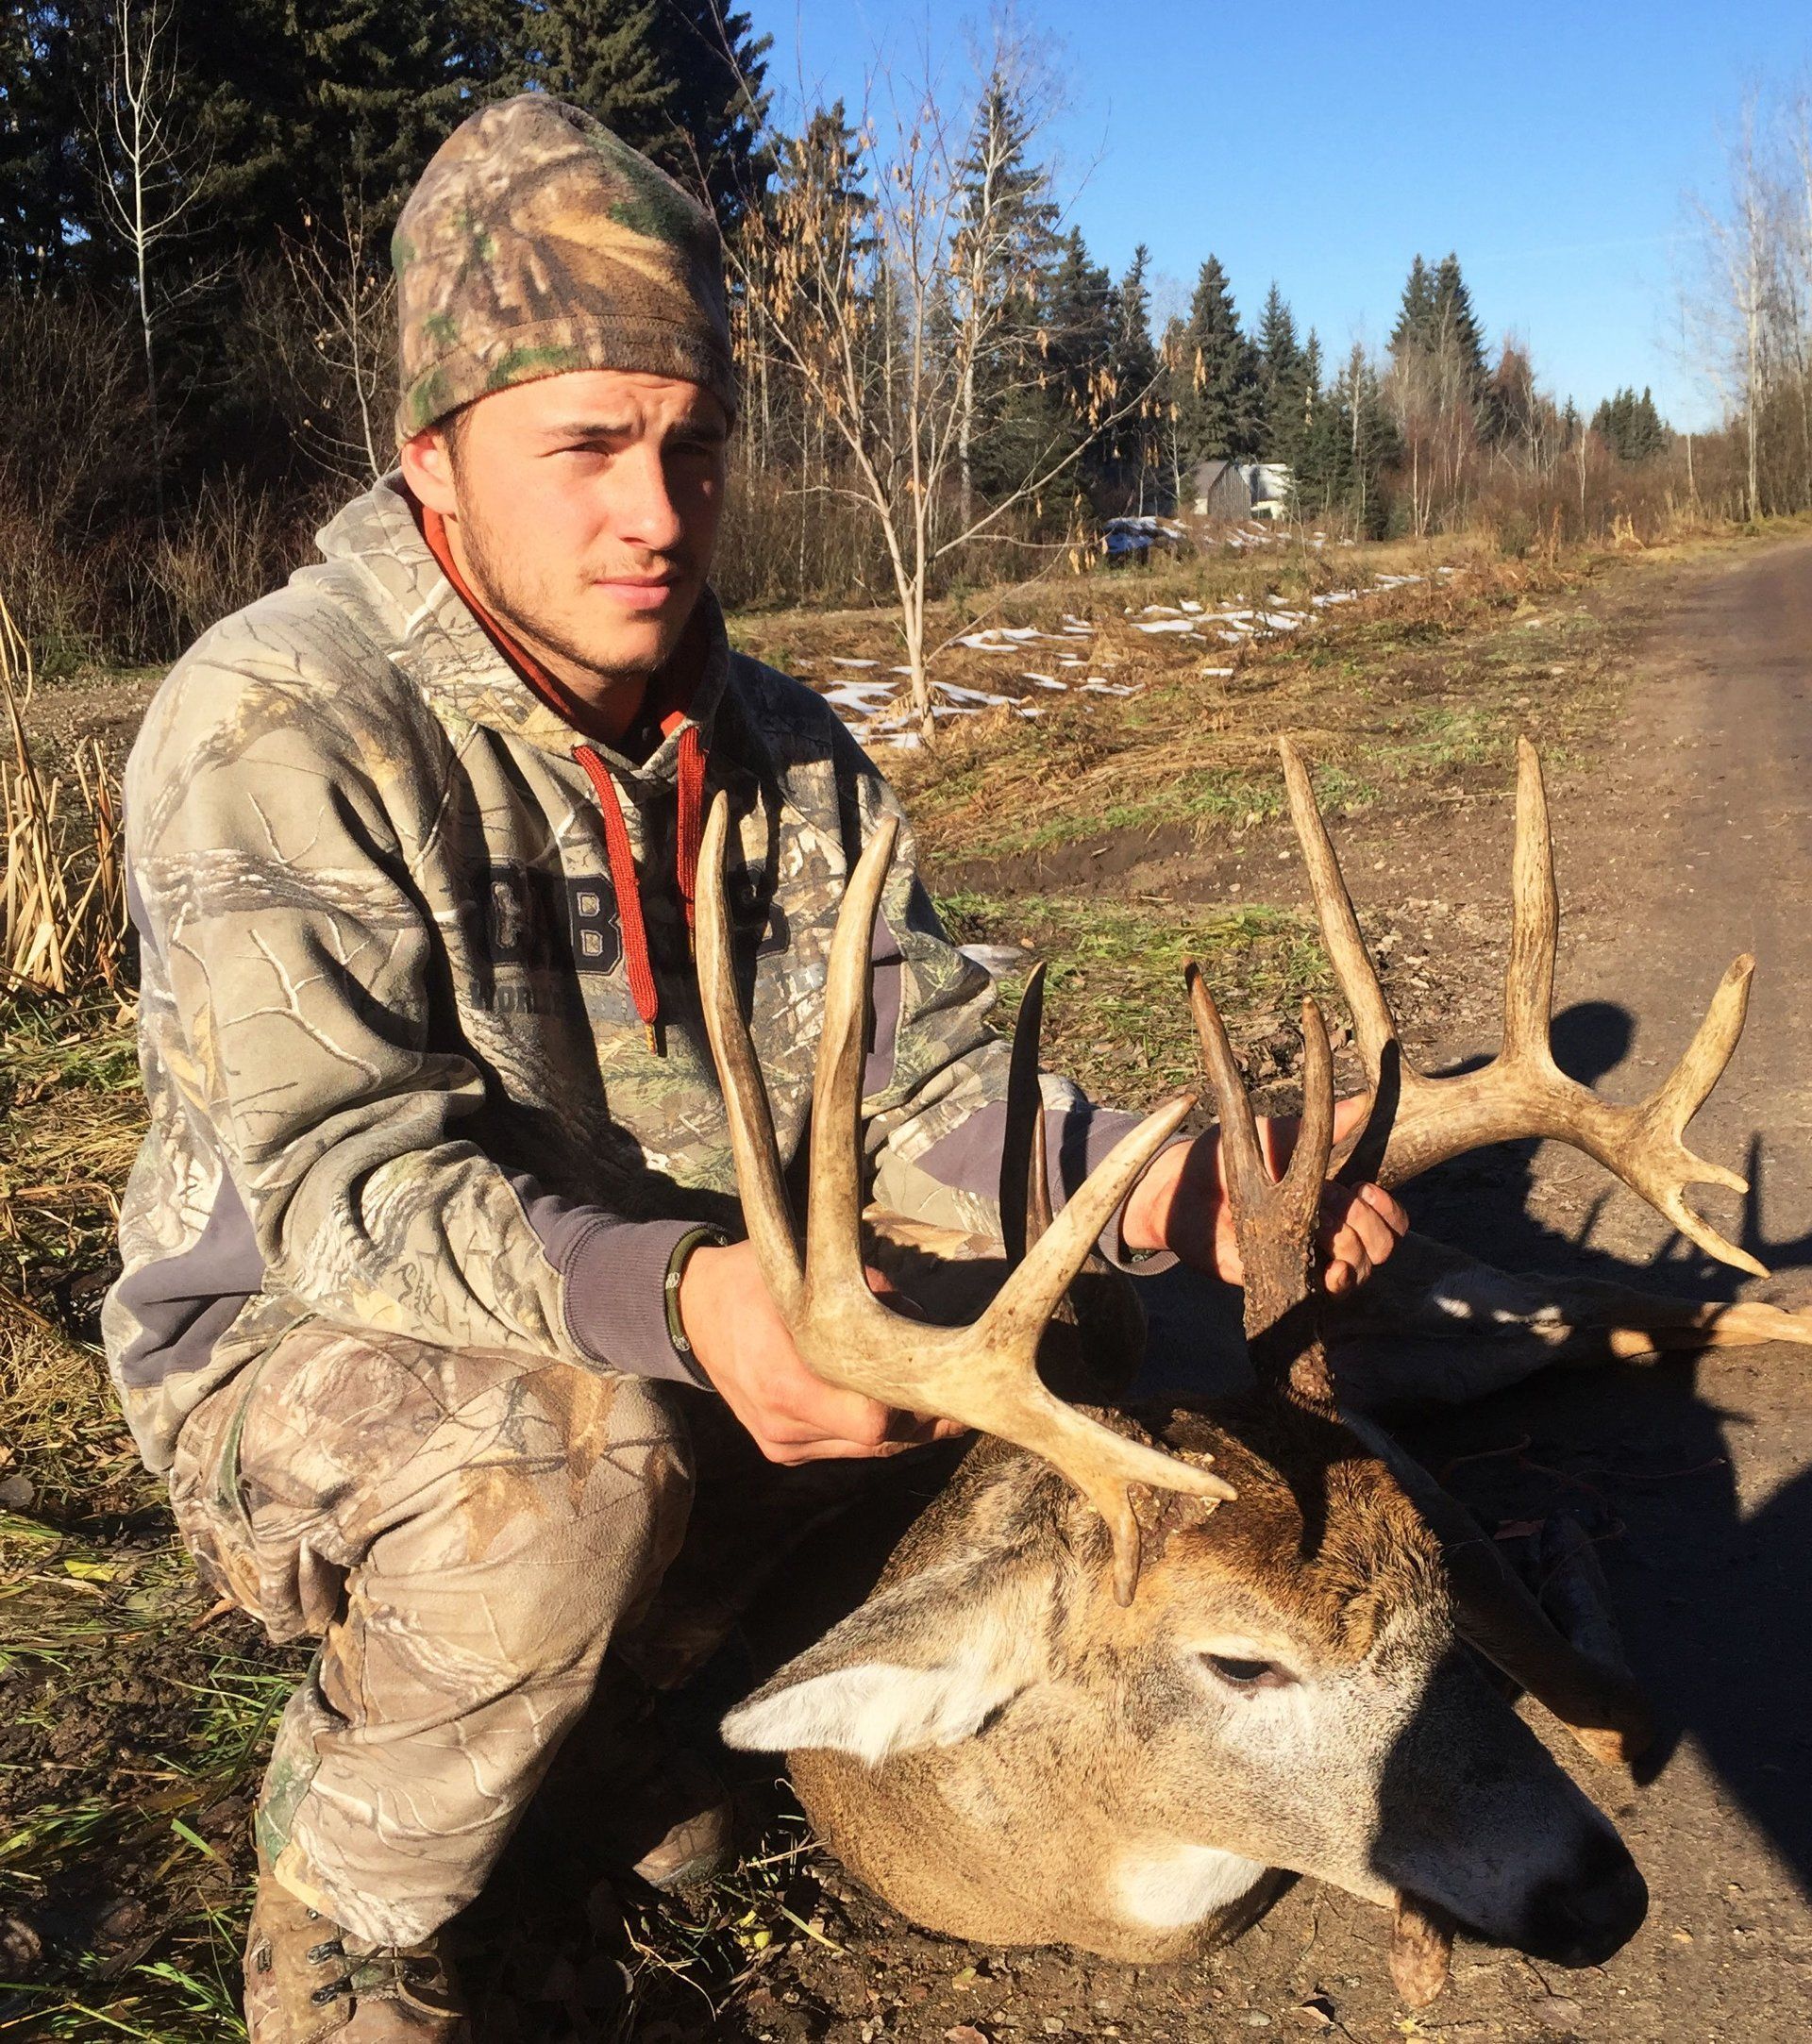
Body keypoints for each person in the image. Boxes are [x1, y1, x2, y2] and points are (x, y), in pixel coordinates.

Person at [103, 96, 1406, 2042]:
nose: (655, 508)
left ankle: (638, 1720)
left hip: (691, 1288)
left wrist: (1145, 1181)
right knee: (571, 1469)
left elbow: (918, 1078)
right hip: (309, 1345)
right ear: (433, 463)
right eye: (587, 448)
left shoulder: (777, 741)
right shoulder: (281, 719)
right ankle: (352, 1905)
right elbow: (336, 1183)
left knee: (1067, 1339)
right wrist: (684, 1303)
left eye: (694, 443)